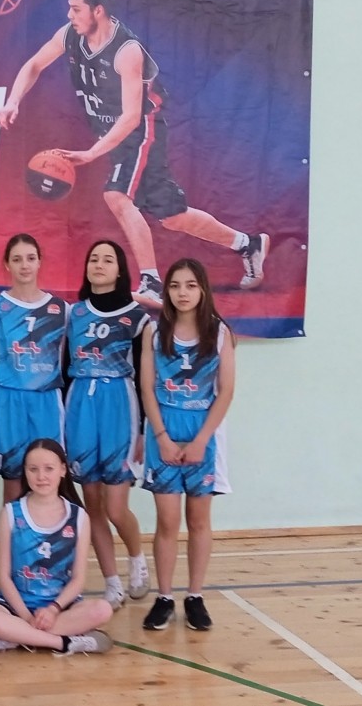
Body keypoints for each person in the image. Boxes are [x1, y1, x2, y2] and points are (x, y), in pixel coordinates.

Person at [0, 0, 269, 300]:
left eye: (76, 9)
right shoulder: (69, 35)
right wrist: (13, 101)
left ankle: (151, 283)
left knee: (116, 195)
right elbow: (34, 65)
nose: (69, 14)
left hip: (142, 129)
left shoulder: (127, 51)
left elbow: (130, 118)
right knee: (173, 217)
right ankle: (248, 244)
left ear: (98, 10)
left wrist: (91, 154)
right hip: (115, 134)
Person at [138, 258, 236, 632]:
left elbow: (226, 392)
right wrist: (161, 437)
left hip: (201, 432)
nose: (183, 292)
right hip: (164, 428)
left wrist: (201, 440)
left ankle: (195, 595)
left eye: (191, 285)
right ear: (166, 291)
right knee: (166, 520)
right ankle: (164, 597)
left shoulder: (220, 333)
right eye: (176, 285)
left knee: (198, 520)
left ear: (203, 290)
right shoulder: (153, 331)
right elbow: (147, 388)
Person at [0, 439, 114, 655]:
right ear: (25, 472)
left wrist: (53, 609)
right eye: (33, 469)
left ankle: (15, 637)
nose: (41, 476)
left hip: (61, 608)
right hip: (15, 607)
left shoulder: (79, 517)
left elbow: (78, 579)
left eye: (49, 469)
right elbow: (4, 578)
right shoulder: (10, 513)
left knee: (102, 610)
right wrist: (27, 617)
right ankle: (63, 643)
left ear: (63, 470)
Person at [65, 240, 150, 610]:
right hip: (81, 404)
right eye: (93, 258)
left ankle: (137, 559)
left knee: (116, 508)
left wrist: (143, 429)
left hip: (119, 404)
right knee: (93, 504)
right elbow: (63, 372)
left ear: (120, 270)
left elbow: (146, 379)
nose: (99, 264)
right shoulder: (74, 314)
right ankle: (111, 581)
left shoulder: (138, 317)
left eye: (107, 259)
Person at [0, 233, 66, 505]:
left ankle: (48, 529)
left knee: (48, 476)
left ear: (40, 261)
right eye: (17, 259)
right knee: (13, 480)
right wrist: (6, 388)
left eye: (30, 258)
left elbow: (65, 359)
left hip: (47, 401)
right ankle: (12, 532)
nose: (25, 265)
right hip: (10, 400)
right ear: (7, 265)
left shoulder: (60, 309)